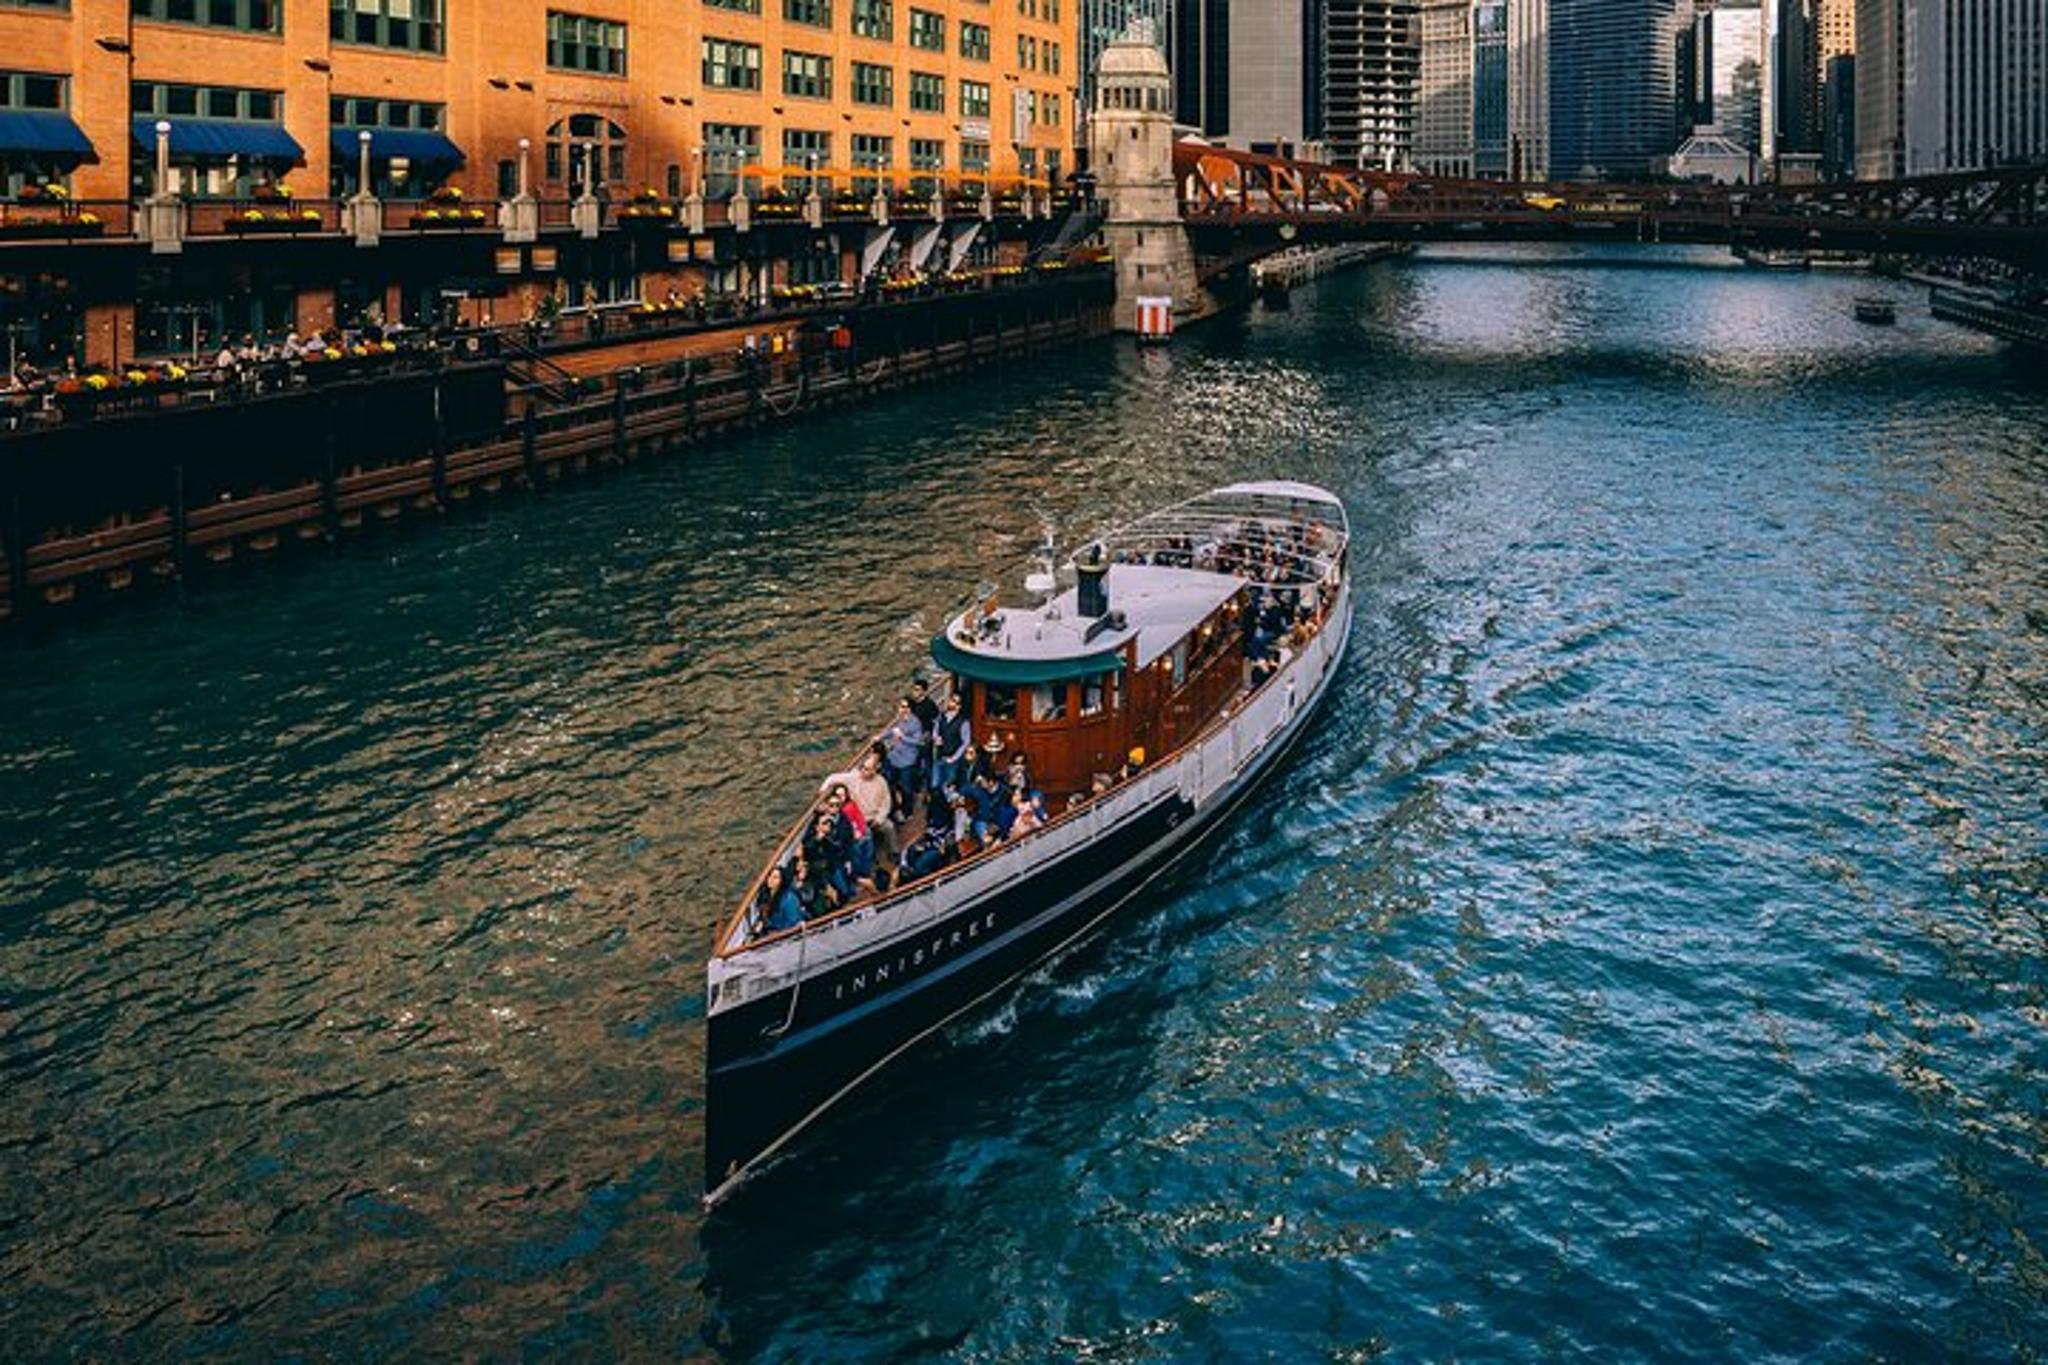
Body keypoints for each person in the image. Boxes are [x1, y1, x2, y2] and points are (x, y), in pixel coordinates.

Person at [822, 748, 895, 863]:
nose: (863, 772)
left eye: (867, 769)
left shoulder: (881, 782)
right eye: (862, 768)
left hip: (875, 817)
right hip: (858, 817)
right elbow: (832, 778)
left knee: (889, 827)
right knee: (865, 834)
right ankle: (870, 859)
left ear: (875, 770)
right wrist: (823, 790)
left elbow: (886, 803)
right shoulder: (853, 778)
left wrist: (879, 819)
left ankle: (893, 852)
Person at [881, 698, 926, 820]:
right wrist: (880, 737)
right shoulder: (899, 719)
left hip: (907, 760)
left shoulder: (915, 723)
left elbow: (918, 741)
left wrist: (902, 737)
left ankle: (908, 811)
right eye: (901, 706)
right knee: (890, 783)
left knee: (907, 787)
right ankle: (894, 808)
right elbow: (891, 731)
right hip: (894, 757)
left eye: (905, 706)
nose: (902, 709)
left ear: (910, 709)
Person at [931, 692, 972, 796]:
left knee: (948, 786)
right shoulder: (942, 716)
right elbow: (935, 729)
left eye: (955, 701)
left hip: (952, 760)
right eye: (951, 700)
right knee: (935, 784)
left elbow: (966, 742)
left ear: (959, 706)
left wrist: (954, 757)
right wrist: (936, 737)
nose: (951, 703)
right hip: (939, 756)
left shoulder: (964, 722)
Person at [756, 863, 805, 933]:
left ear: (781, 881)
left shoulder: (789, 898)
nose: (771, 879)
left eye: (775, 877)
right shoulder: (766, 896)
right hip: (769, 931)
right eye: (769, 876)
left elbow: (792, 924)